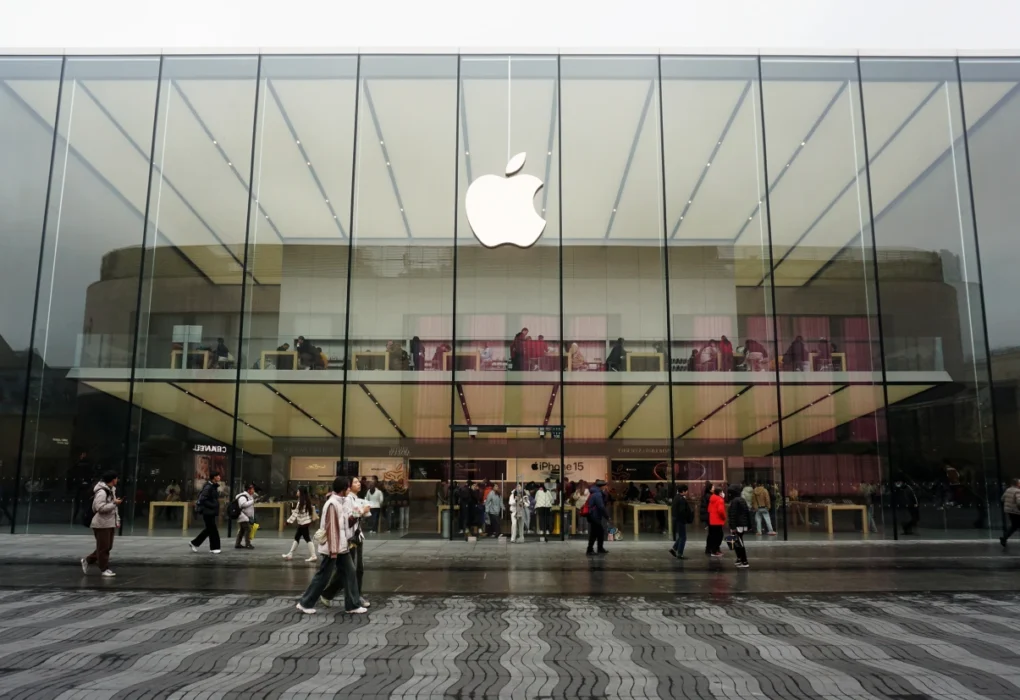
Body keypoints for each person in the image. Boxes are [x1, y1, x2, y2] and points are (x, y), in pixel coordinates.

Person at [296, 477, 366, 615]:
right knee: (323, 576)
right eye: (347, 487)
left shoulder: (340, 502)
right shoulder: (332, 504)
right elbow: (332, 529)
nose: (349, 489)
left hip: (341, 546)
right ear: (342, 489)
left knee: (349, 573)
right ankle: (305, 603)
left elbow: (345, 523)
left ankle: (352, 605)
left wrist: (359, 513)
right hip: (333, 548)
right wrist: (333, 551)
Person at [321, 476, 372, 610]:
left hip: (355, 536)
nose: (357, 484)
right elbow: (348, 520)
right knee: (350, 570)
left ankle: (332, 595)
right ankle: (352, 599)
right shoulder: (344, 500)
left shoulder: (353, 498)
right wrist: (361, 512)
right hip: (349, 539)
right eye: (354, 482)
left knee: (351, 570)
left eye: (357, 482)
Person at [80, 471, 122, 577]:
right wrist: (114, 503)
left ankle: (88, 560)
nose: (117, 480)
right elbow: (100, 508)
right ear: (113, 480)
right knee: (103, 548)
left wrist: (117, 520)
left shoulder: (111, 490)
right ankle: (104, 569)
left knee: (108, 546)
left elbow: (113, 510)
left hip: (109, 522)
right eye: (116, 478)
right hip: (101, 523)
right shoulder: (102, 492)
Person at [190, 472, 222, 553]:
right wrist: (213, 505)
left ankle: (196, 543)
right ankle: (214, 548)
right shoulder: (208, 487)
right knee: (212, 529)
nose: (219, 477)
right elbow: (202, 499)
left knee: (210, 529)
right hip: (207, 511)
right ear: (213, 477)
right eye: (217, 476)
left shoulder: (212, 486)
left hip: (210, 511)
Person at [283, 487, 318, 561]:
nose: (297, 492)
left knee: (307, 538)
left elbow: (295, 513)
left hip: (303, 523)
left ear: (301, 492)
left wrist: (287, 522)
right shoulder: (307, 501)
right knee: (297, 537)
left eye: (298, 491)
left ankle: (313, 555)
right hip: (305, 522)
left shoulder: (301, 502)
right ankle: (290, 554)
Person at [727, 485, 751, 568]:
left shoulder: (734, 501)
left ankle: (744, 561)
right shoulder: (742, 500)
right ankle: (740, 559)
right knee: (738, 542)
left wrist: (732, 527)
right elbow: (747, 513)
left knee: (739, 543)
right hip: (742, 525)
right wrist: (749, 525)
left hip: (738, 525)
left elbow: (732, 515)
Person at [585, 479, 610, 555]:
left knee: (599, 532)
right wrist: (607, 516)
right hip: (594, 515)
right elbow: (601, 506)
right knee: (595, 532)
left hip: (593, 515)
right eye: (605, 485)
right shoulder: (597, 494)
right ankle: (590, 549)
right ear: (602, 486)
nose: (606, 486)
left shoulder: (596, 492)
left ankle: (599, 548)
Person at [670, 484, 692, 559]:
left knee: (681, 536)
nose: (687, 492)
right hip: (680, 520)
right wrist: (686, 518)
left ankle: (674, 548)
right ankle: (680, 553)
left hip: (676, 519)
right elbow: (682, 511)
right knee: (683, 537)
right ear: (683, 491)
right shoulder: (681, 499)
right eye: (686, 491)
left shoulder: (676, 498)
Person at [234, 483, 257, 549]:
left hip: (245, 516)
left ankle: (237, 544)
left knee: (242, 530)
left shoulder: (249, 496)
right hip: (242, 516)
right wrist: (252, 501)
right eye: (252, 489)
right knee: (248, 529)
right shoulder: (243, 496)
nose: (253, 490)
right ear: (249, 490)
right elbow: (242, 505)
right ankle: (248, 544)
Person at [706, 486, 726, 557]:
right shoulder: (720, 500)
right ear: (720, 493)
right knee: (719, 536)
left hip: (712, 520)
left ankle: (711, 549)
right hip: (718, 520)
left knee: (712, 535)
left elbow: (708, 509)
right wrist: (724, 517)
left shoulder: (712, 498)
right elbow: (721, 511)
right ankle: (715, 551)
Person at [1000, 478, 1020, 547]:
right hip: (1016, 511)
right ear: (1017, 484)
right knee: (1015, 525)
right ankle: (1004, 538)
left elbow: (1002, 498)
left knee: (1014, 526)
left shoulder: (1008, 490)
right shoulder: (1017, 491)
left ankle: (1004, 538)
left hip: (1009, 511)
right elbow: (1019, 502)